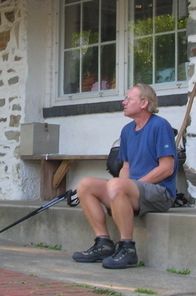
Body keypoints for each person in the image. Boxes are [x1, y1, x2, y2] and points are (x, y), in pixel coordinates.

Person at [73, 84, 177, 269]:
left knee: (117, 185)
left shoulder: (160, 126)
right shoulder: (127, 131)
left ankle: (127, 248)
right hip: (133, 190)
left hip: (160, 193)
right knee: (85, 185)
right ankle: (103, 243)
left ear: (144, 103)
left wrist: (130, 187)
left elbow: (167, 169)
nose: (124, 102)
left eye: (129, 99)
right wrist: (124, 186)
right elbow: (126, 167)